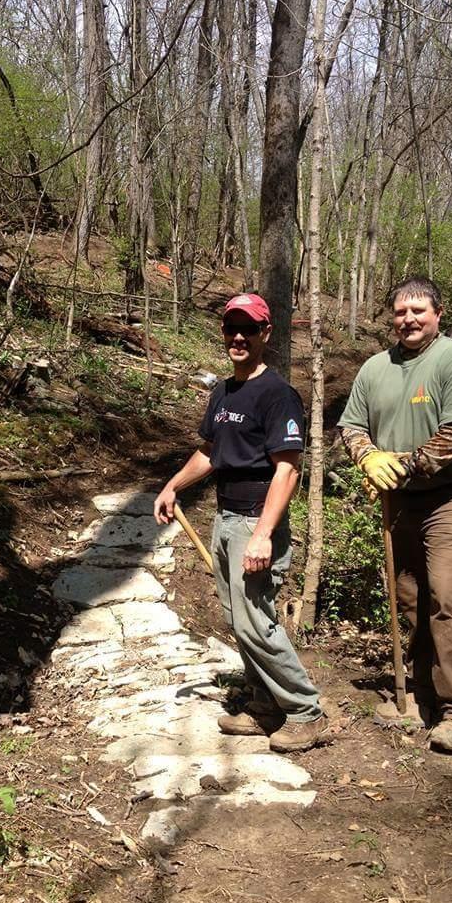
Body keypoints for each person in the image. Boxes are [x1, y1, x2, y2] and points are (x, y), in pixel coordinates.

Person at [154, 293, 327, 753]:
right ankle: (265, 704)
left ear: (265, 334)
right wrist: (173, 485)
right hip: (226, 517)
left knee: (255, 621)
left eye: (247, 328)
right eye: (231, 327)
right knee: (237, 618)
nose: (237, 336)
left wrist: (264, 534)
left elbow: (288, 469)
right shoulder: (225, 391)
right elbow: (210, 452)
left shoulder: (278, 395)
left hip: (255, 521)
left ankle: (305, 711)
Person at [339, 276, 452, 754]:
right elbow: (352, 426)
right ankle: (421, 694)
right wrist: (366, 457)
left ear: (438, 314)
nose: (409, 320)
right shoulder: (374, 368)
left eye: (419, 311)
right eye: (401, 312)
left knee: (446, 595)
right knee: (409, 596)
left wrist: (401, 464)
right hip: (400, 500)